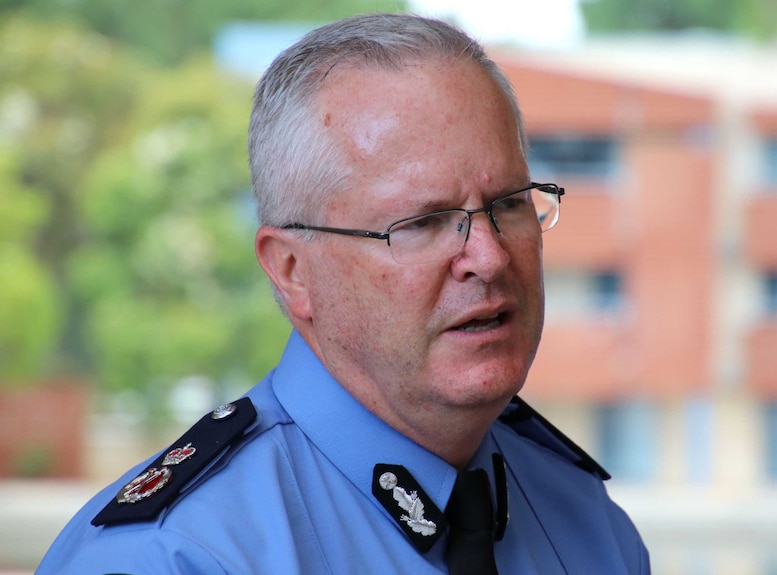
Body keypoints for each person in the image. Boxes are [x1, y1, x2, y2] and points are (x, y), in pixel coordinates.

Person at [36, 13, 650, 574]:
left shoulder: (586, 523)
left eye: (509, 203)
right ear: (293, 270)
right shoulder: (173, 558)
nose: (488, 257)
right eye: (422, 222)